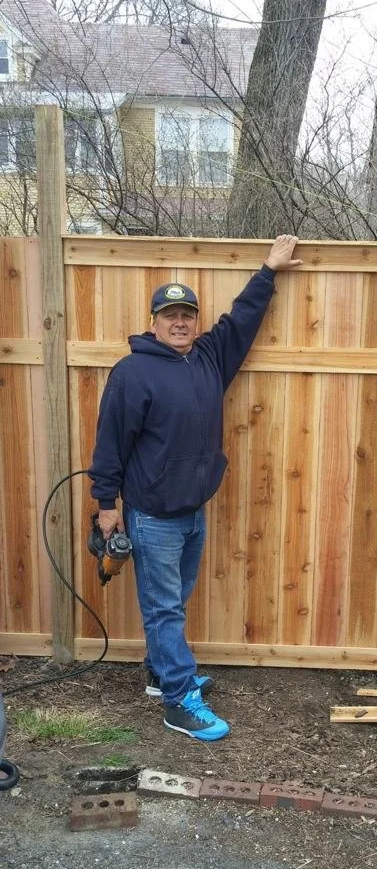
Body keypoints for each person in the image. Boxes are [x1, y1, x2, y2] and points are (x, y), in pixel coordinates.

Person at [89, 234, 302, 742]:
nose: (180, 321)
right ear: (154, 321)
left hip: (192, 510)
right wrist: (106, 506)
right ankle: (179, 701)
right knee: (163, 606)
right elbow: (110, 443)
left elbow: (241, 321)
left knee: (175, 600)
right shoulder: (133, 373)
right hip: (151, 513)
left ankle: (162, 673)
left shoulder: (208, 359)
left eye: (187, 314)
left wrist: (268, 271)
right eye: (170, 315)